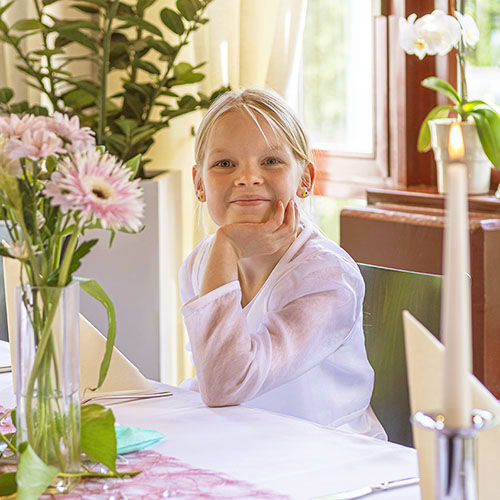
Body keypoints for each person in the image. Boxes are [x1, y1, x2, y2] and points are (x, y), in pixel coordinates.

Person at [179, 87, 386, 439]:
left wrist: (228, 244)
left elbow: (226, 384)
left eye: (271, 161)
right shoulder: (201, 263)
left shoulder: (326, 277)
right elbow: (211, 381)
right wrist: (223, 251)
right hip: (244, 444)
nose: (247, 177)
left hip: (327, 458)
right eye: (224, 164)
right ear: (199, 183)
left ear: (304, 178)